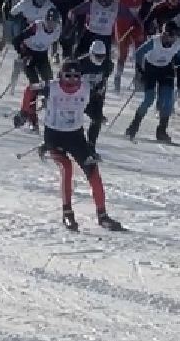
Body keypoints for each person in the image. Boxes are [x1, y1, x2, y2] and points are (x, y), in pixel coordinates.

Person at [19, 61, 124, 231]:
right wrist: (24, 112)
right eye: (68, 76)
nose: (72, 81)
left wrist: (96, 113)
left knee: (93, 171)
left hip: (76, 137)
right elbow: (30, 89)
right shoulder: (51, 87)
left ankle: (102, 216)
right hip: (54, 136)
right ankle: (67, 213)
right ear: (60, 76)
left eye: (76, 76)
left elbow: (93, 104)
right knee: (66, 167)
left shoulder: (85, 88)